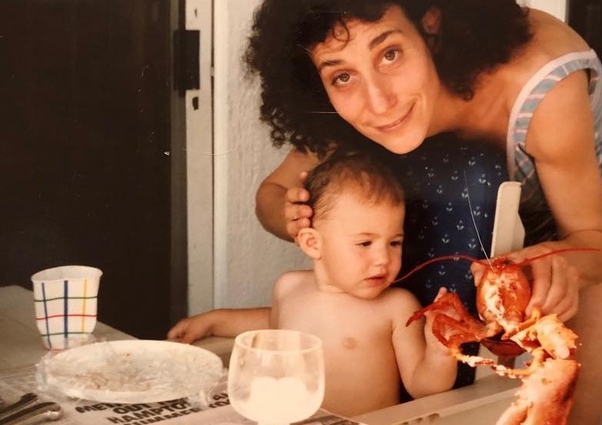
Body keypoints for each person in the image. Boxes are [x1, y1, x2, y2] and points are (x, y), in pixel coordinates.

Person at [249, 0, 602, 424]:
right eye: (342, 76)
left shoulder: (542, 84)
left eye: (390, 54)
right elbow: (272, 196)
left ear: (432, 26)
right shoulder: (353, 110)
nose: (378, 101)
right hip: (488, 207)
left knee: (569, 412)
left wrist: (561, 264)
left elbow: (596, 243)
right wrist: (295, 217)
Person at [168, 153, 458, 416]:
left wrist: (440, 352)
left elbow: (423, 388)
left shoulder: (397, 306)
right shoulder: (289, 287)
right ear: (312, 243)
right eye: (364, 243)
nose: (383, 258)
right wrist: (212, 321)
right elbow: (271, 327)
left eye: (394, 242)